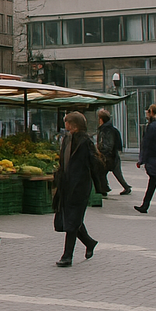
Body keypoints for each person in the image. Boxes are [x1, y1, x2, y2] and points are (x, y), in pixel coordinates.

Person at [53, 111, 104, 267]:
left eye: (67, 122)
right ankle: (89, 242)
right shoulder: (67, 139)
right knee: (72, 218)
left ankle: (67, 256)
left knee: (73, 219)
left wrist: (100, 185)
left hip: (79, 185)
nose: (65, 124)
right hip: (67, 184)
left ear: (74, 124)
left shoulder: (85, 141)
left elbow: (94, 164)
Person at [95, 109, 132, 195]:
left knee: (101, 172)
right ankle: (125, 187)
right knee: (115, 173)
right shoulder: (109, 129)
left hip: (109, 156)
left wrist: (101, 151)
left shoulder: (106, 130)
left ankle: (104, 189)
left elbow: (107, 144)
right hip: (113, 156)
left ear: (101, 119)